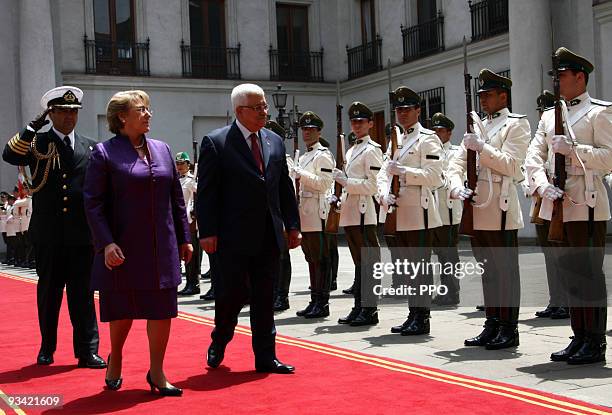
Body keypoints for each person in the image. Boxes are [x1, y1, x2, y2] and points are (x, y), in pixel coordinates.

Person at [84, 90, 192, 394]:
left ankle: (156, 372)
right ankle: (115, 356)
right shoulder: (104, 153)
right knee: (122, 309)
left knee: (162, 310)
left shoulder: (163, 149)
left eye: (148, 109)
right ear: (122, 117)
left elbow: (176, 201)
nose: (148, 115)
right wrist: (106, 243)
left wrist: (185, 238)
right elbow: (93, 204)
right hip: (124, 248)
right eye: (141, 110)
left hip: (162, 247)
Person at [197, 83, 301, 374]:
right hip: (230, 238)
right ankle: (221, 338)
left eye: (265, 106)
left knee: (265, 296)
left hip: (268, 233)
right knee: (231, 295)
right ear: (239, 111)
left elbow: (283, 188)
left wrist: (292, 225)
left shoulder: (274, 141)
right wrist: (207, 232)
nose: (264, 112)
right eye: (257, 107)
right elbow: (207, 192)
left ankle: (266, 356)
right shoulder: (216, 142)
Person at [2, 86, 105, 368]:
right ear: (52, 113)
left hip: (82, 234)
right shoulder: (38, 143)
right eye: (63, 112)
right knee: (49, 292)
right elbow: (10, 155)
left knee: (82, 294)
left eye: (74, 112)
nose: (70, 117)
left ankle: (87, 350)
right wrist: (33, 125)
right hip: (49, 233)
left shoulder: (91, 145)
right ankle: (47, 347)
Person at [525, 47, 611, 364]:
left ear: (580, 77)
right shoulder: (549, 116)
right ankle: (578, 336)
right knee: (568, 271)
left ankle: (595, 341)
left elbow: (610, 157)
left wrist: (575, 149)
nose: (558, 81)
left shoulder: (600, 112)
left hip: (586, 201)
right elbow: (533, 156)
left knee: (588, 273)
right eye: (556, 76)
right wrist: (540, 183)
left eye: (562, 75)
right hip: (556, 201)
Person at [448, 69, 530, 350]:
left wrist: (482, 148)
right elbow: (455, 165)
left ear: (503, 96)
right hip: (477, 207)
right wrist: (457, 185)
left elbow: (512, 165)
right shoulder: (477, 127)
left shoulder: (516, 125)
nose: (483, 100)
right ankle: (492, 323)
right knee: (488, 271)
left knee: (505, 272)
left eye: (488, 95)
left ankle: (509, 328)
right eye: (480, 95)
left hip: (501, 207)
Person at [381, 87, 444, 336]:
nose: (403, 114)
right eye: (399, 110)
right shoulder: (397, 140)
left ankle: (422, 317)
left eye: (408, 109)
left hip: (420, 211)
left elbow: (434, 176)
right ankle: (412, 313)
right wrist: (384, 191)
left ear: (418, 110)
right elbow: (384, 171)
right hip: (399, 211)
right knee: (407, 267)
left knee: (419, 266)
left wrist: (404, 172)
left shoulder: (427, 138)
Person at [332, 102, 383, 326]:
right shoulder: (352, 149)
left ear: (370, 124)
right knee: (358, 262)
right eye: (354, 122)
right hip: (352, 211)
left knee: (368, 261)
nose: (357, 125)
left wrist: (345, 182)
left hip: (364, 211)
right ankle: (359, 306)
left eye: (361, 121)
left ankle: (370, 309)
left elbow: (373, 185)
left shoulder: (372, 150)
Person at [291, 111, 334, 319]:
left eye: (310, 129)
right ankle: (314, 299)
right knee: (310, 258)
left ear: (318, 132)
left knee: (320, 258)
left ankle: (322, 302)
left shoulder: (323, 154)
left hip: (317, 211)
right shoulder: (306, 155)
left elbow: (324, 184)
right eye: (304, 129)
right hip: (305, 212)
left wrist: (302, 174)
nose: (306, 133)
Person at [530, 90, 569, 320]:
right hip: (541, 202)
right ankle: (555, 299)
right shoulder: (539, 138)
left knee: (561, 254)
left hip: (557, 202)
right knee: (549, 255)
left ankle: (565, 301)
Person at [430, 112, 463, 306]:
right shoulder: (429, 151)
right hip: (433, 210)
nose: (437, 133)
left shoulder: (455, 152)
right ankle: (446, 290)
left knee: (449, 253)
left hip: (448, 210)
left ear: (449, 133)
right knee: (440, 253)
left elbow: (451, 177)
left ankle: (453, 292)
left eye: (440, 130)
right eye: (434, 130)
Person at [265, 119, 293, 312]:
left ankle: (282, 295)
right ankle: (273, 292)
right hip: (266, 214)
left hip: (279, 214)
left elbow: (287, 191)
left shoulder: (285, 159)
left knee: (282, 256)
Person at [176, 152, 201, 296]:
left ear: (188, 164)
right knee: (183, 253)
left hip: (189, 221)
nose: (179, 166)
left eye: (182, 163)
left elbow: (198, 196)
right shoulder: (177, 179)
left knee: (191, 253)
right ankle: (188, 283)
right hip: (179, 221)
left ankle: (194, 283)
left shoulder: (191, 180)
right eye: (177, 164)